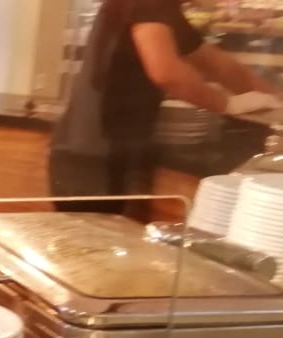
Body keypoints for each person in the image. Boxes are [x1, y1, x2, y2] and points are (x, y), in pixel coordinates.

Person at [50, 0, 281, 214]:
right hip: (97, 156)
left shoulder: (166, 12)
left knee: (121, 239)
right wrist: (228, 104)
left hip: (106, 151)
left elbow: (219, 65)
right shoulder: (151, 3)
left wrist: (275, 103)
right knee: (103, 241)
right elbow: (166, 73)